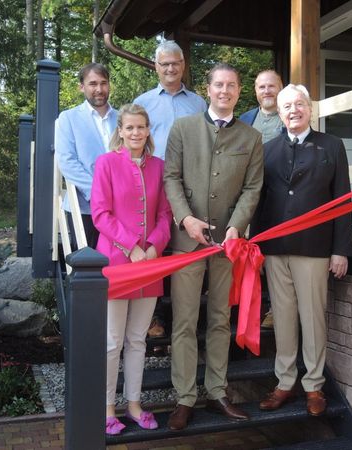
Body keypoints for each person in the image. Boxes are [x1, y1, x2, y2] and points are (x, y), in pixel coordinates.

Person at [163, 63, 264, 430]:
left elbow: (253, 189)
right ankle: (185, 397)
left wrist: (238, 226)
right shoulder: (183, 128)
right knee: (185, 321)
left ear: (239, 92)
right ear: (208, 89)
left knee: (221, 318)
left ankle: (217, 390)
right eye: (219, 84)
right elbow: (170, 176)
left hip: (228, 243)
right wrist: (185, 219)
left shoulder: (251, 139)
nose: (225, 90)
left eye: (232, 85)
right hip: (186, 241)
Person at [251, 84, 352, 417]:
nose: (293, 110)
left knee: (312, 319)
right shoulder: (267, 150)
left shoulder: (332, 146)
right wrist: (256, 247)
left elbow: (342, 201)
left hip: (315, 247)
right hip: (275, 249)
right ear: (278, 113)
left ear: (309, 109)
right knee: (281, 319)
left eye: (299, 104)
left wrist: (341, 250)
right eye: (287, 106)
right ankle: (284, 382)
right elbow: (259, 201)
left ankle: (313, 385)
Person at [90, 104, 172, 435]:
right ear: (120, 131)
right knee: (112, 341)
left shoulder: (159, 167)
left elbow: (165, 214)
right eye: (130, 128)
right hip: (117, 264)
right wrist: (132, 247)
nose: (136, 133)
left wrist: (153, 246)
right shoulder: (106, 163)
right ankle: (108, 408)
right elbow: (100, 213)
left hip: (149, 264)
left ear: (148, 130)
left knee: (138, 340)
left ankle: (135, 404)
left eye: (142, 127)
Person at [134, 40, 207, 338]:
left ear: (183, 65)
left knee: (186, 245)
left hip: (190, 185)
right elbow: (133, 139)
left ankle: (187, 314)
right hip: (152, 183)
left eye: (175, 63)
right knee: (155, 243)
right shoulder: (144, 102)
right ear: (156, 67)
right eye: (164, 63)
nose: (170, 68)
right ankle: (154, 315)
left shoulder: (198, 104)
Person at [55, 63, 118, 250]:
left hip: (121, 209)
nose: (99, 89)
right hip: (85, 209)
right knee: (88, 268)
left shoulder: (123, 118)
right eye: (92, 84)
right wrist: (98, 194)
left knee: (118, 265)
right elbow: (67, 162)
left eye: (103, 83)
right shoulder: (68, 118)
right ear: (81, 87)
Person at [240, 69, 284, 330]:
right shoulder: (246, 119)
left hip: (280, 198)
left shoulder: (289, 115)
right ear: (255, 91)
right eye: (261, 87)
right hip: (251, 197)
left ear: (281, 87)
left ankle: (273, 309)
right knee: (250, 254)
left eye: (272, 86)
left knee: (274, 257)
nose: (266, 91)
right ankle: (246, 306)